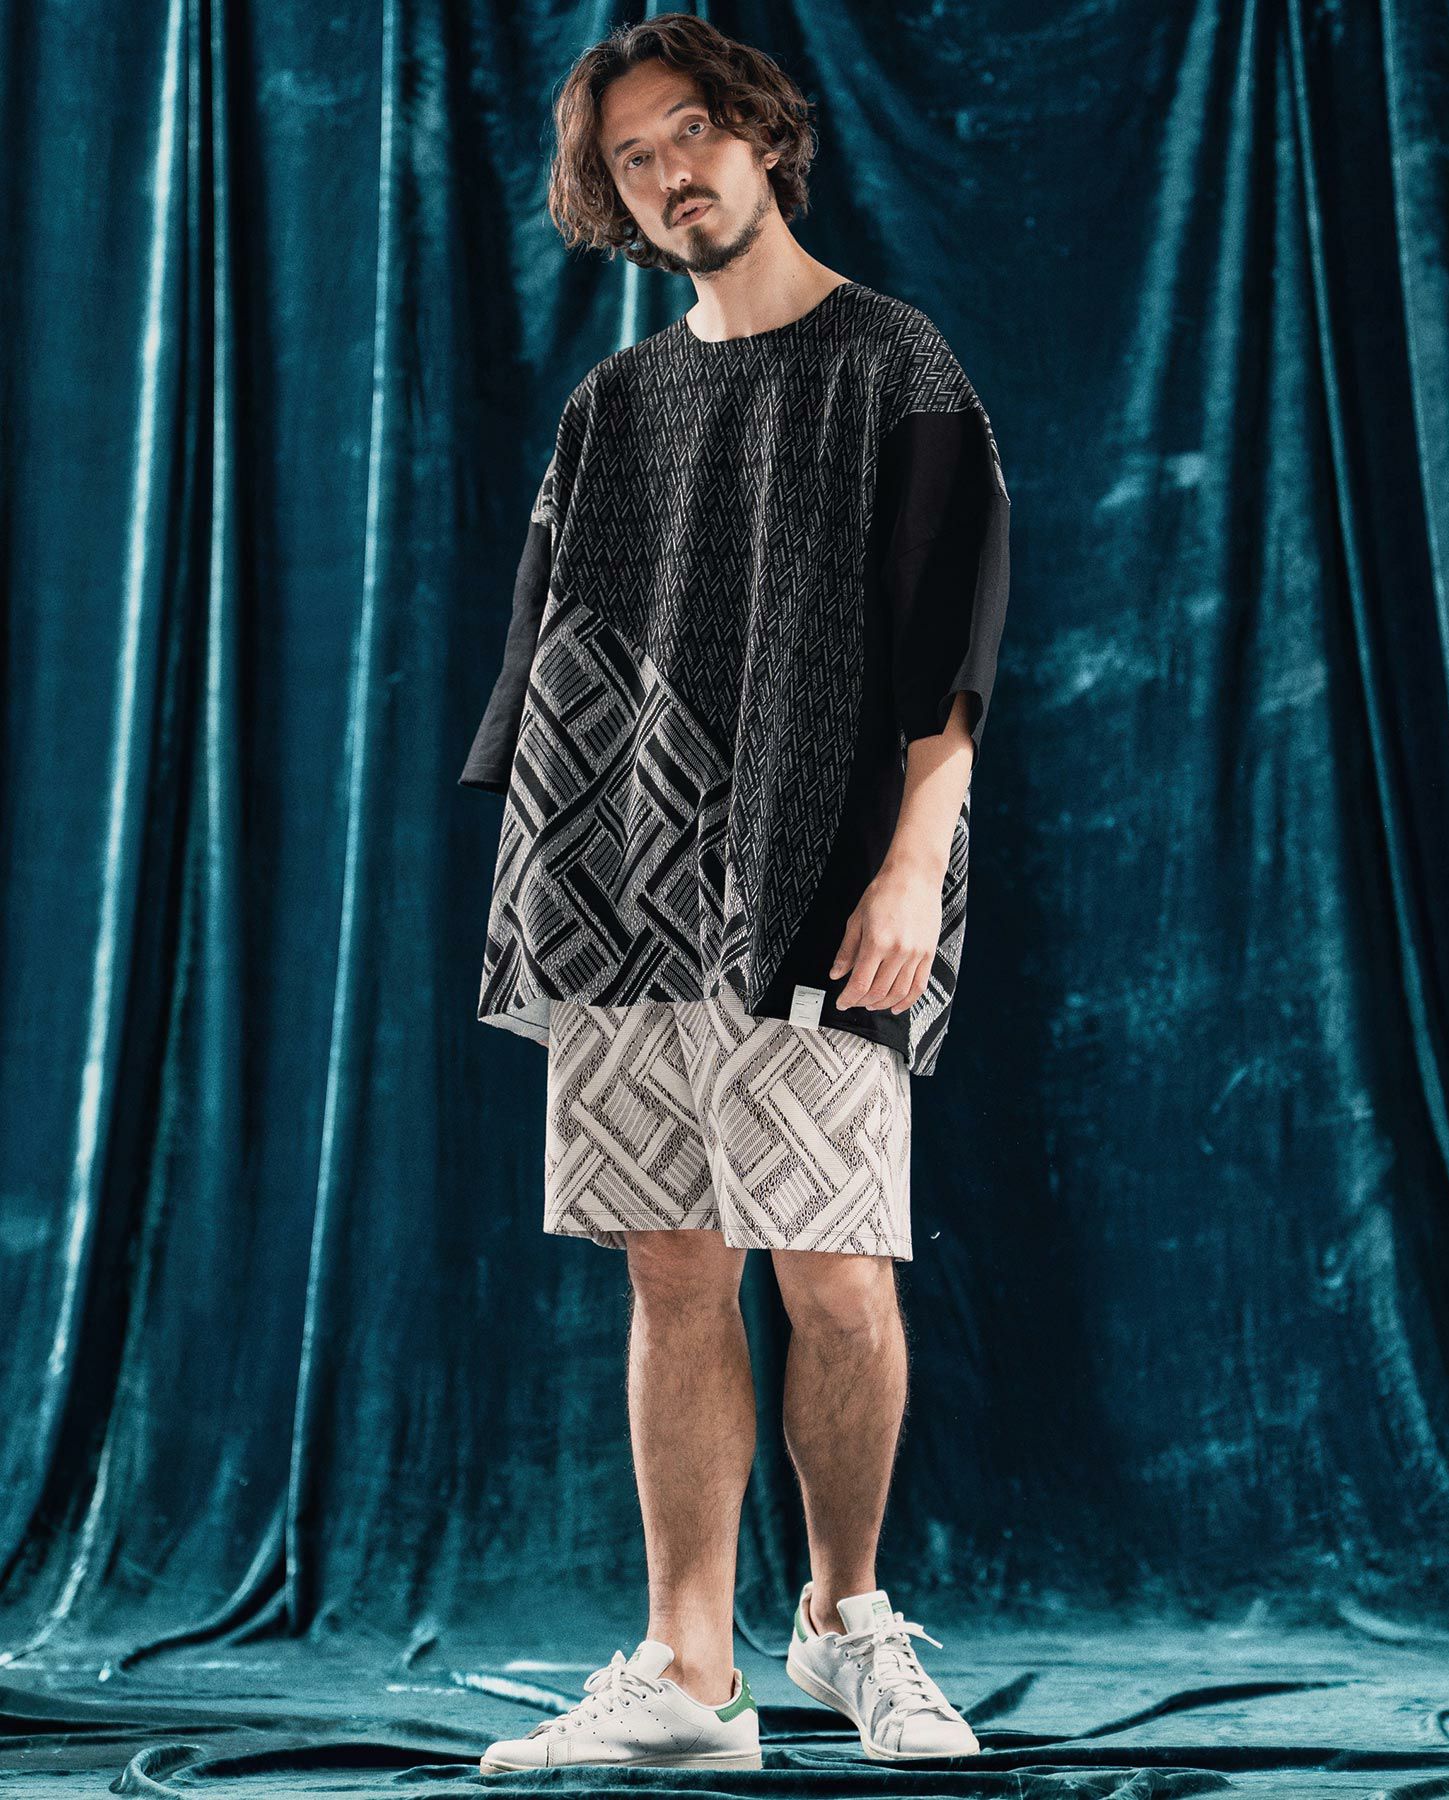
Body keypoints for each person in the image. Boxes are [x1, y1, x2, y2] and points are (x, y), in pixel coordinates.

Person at [458, 12, 1010, 1775]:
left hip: (820, 883)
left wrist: (914, 869)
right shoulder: (614, 405)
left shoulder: (893, 361)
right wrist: (554, 897)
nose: (670, 173)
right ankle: (690, 1679)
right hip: (622, 894)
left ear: (765, 135)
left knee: (833, 1276)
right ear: (612, 197)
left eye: (693, 130)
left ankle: (845, 1624)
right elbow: (560, 673)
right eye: (632, 158)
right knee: (673, 1272)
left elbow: (951, 655)